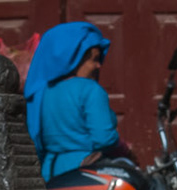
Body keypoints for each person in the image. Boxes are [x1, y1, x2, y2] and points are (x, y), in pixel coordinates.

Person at [25, 22, 122, 180]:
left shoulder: (42, 93)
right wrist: (123, 148)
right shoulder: (90, 89)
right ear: (75, 58)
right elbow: (104, 138)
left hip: (50, 172)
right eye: (94, 59)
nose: (99, 66)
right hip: (85, 172)